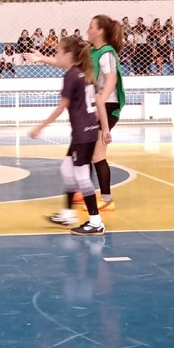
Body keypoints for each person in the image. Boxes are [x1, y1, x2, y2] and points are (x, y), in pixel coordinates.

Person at [28, 14, 125, 212]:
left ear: (100, 31)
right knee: (86, 151)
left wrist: (101, 100)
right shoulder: (90, 51)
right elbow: (66, 62)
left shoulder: (107, 53)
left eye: (91, 27)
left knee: (97, 154)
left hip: (108, 106)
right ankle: (83, 191)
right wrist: (41, 59)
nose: (88, 30)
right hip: (98, 105)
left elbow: (111, 80)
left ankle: (106, 199)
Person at [29, 36, 111, 236]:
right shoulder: (84, 73)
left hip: (83, 134)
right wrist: (105, 128)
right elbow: (97, 104)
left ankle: (95, 222)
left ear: (68, 55)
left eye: (58, 52)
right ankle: (68, 214)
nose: (56, 56)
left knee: (82, 176)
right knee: (67, 168)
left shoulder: (71, 76)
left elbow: (62, 106)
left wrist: (41, 126)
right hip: (87, 131)